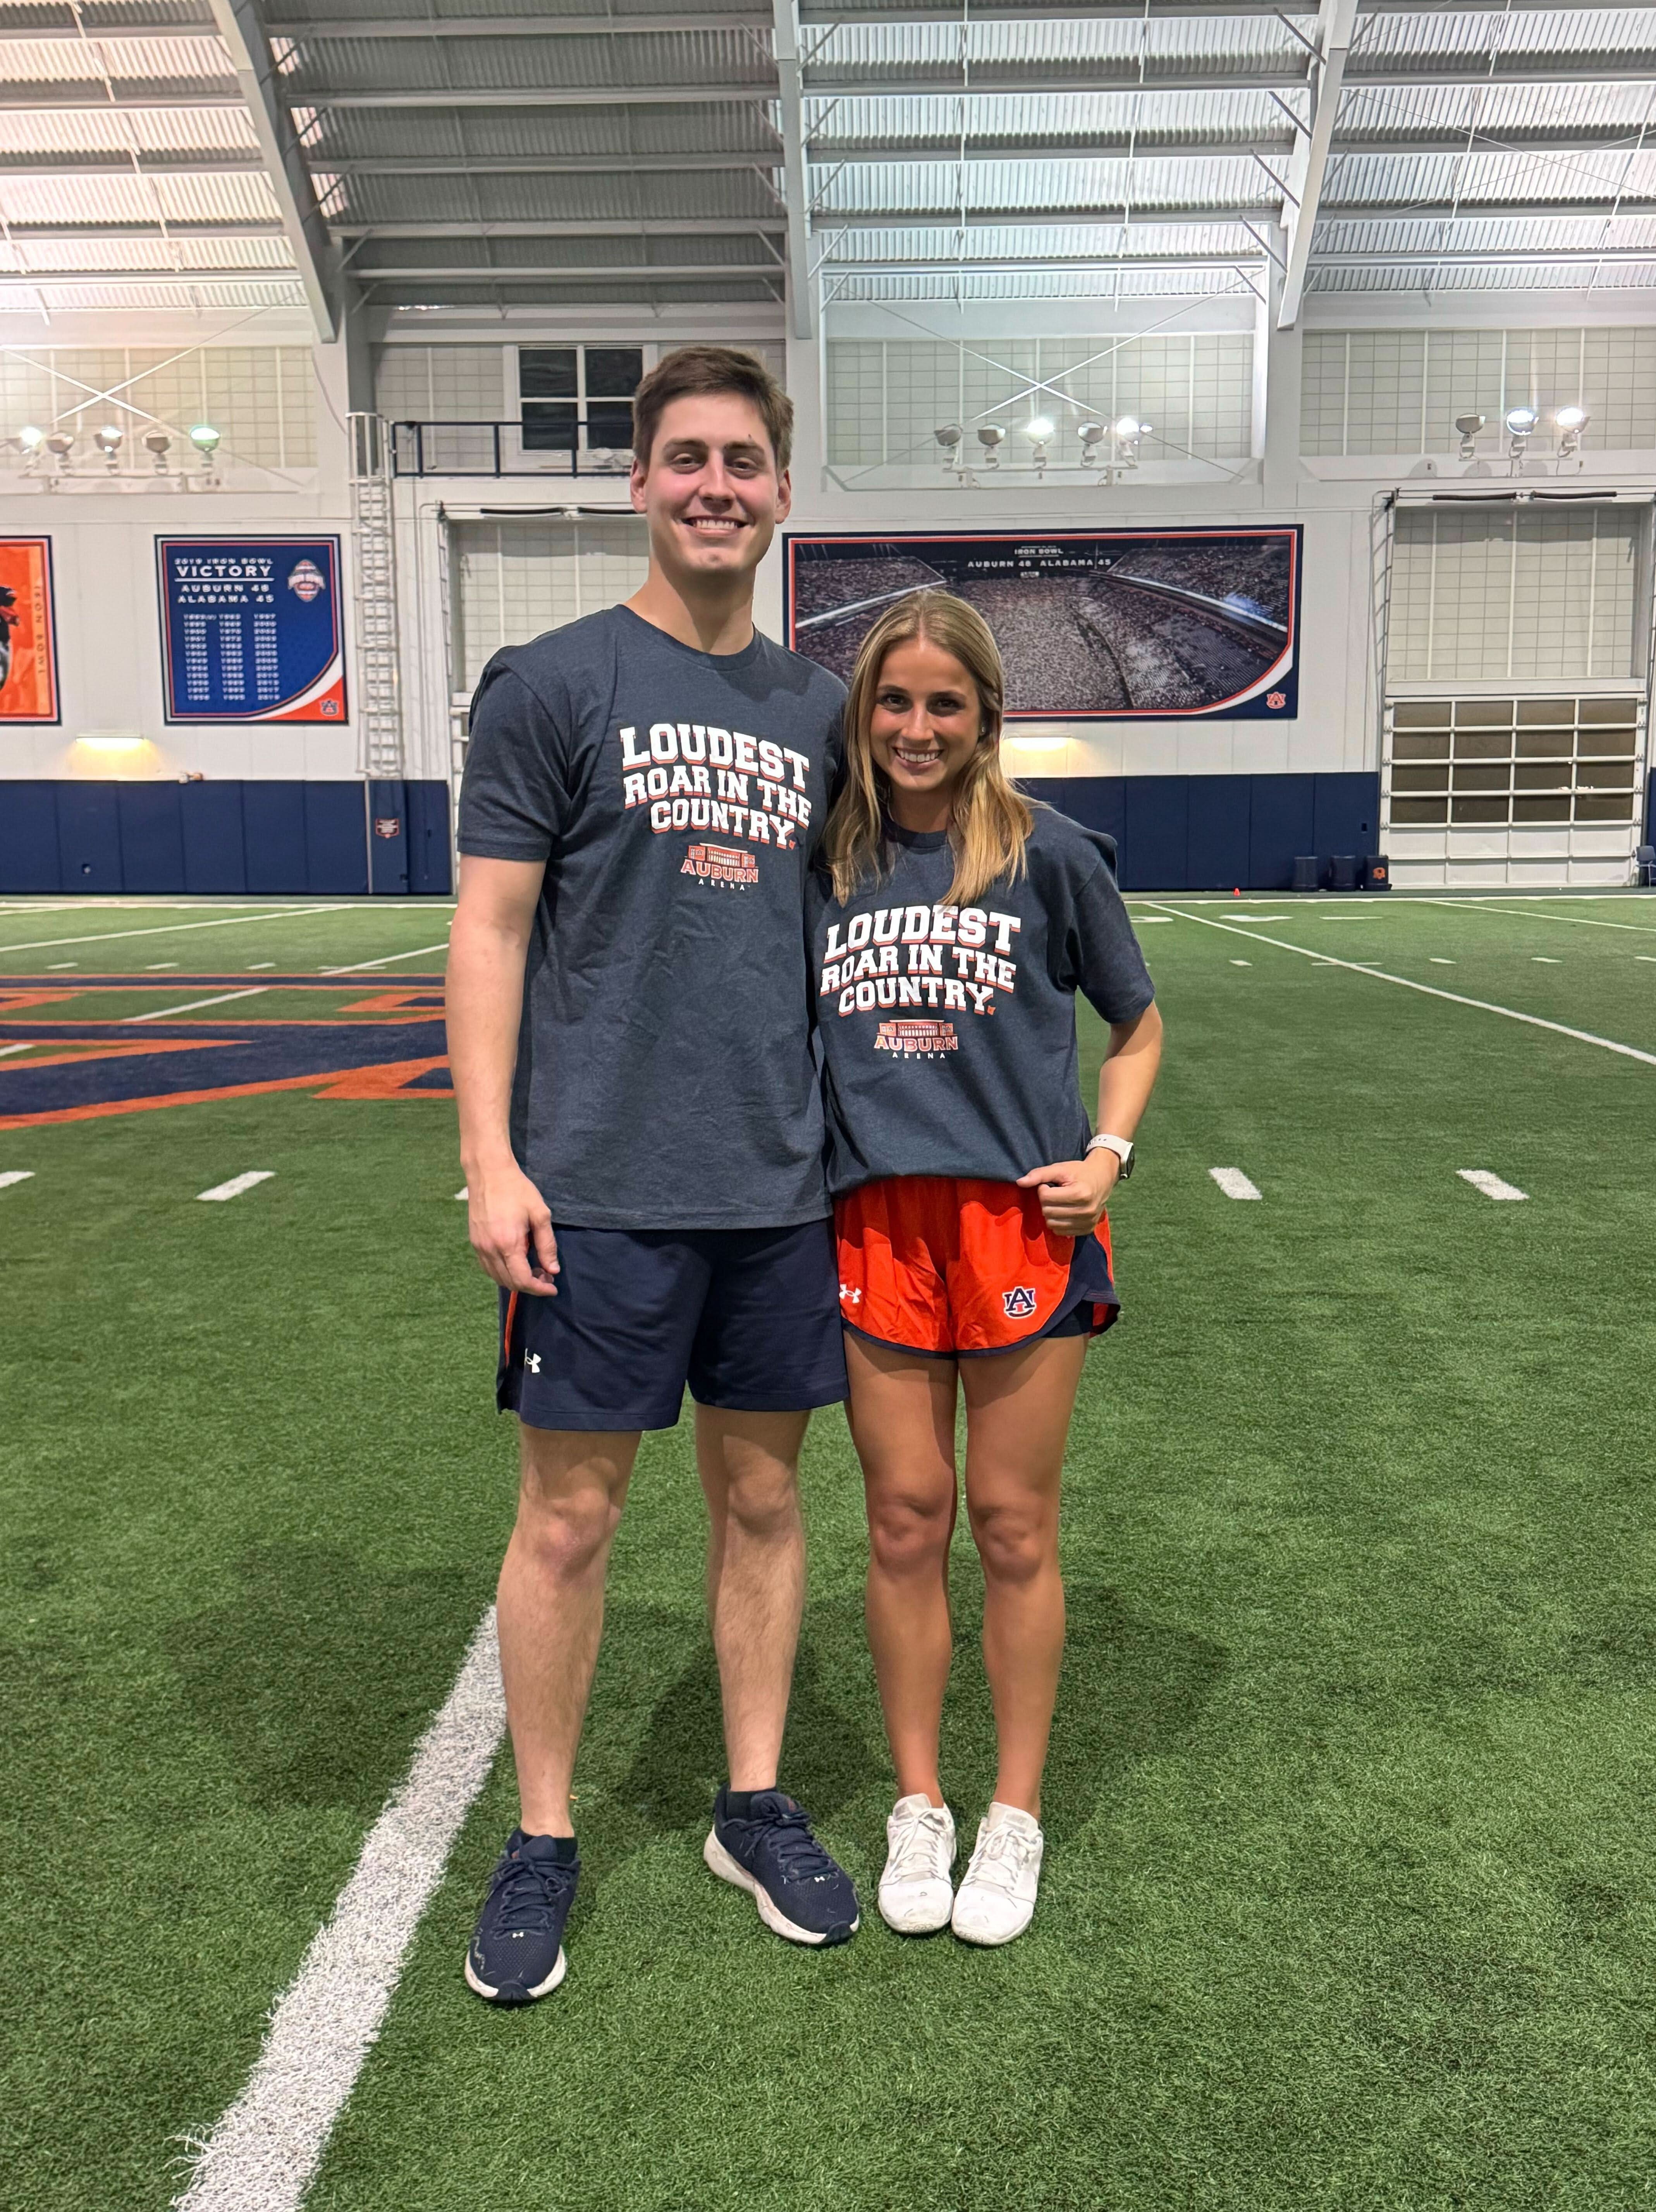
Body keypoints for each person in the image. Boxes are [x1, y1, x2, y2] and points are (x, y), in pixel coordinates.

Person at [447, 345, 858, 2005]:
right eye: (685, 457)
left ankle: (749, 1805)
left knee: (764, 1502)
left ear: (779, 490)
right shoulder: (550, 685)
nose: (715, 484)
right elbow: (487, 929)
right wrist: (490, 1155)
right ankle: (542, 1833)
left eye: (744, 460)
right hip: (597, 1185)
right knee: (569, 1519)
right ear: (637, 482)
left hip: (775, 1188)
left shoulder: (825, 711)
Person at [808, 591, 1162, 1946]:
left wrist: (1110, 1155)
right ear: (863, 715)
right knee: (904, 1517)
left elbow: (1135, 1026)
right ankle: (919, 1801)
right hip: (875, 1227)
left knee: (1011, 1527)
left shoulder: (1051, 854)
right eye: (891, 702)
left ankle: (1011, 1815)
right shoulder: (820, 863)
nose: (914, 727)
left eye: (941, 703)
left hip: (1022, 1225)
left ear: (985, 714)